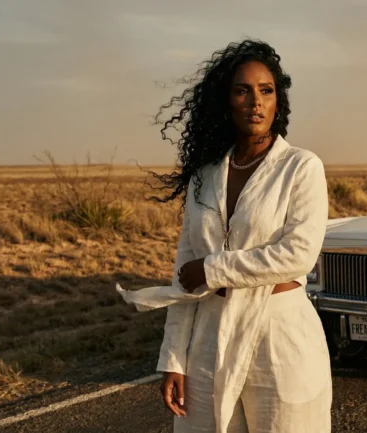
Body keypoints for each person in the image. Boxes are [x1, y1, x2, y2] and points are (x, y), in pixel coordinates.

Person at [119, 38, 332, 433]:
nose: (256, 101)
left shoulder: (301, 167)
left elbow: (297, 255)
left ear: (278, 101)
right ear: (226, 101)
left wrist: (213, 269)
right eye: (243, 90)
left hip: (279, 334)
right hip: (209, 335)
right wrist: (174, 358)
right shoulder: (205, 175)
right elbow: (185, 272)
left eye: (266, 91)